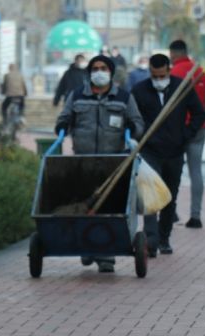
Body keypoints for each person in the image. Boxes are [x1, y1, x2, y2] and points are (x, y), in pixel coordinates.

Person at [55, 54, 145, 273]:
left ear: (111, 72)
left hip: (113, 164)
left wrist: (132, 132)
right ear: (89, 72)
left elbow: (138, 123)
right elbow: (63, 118)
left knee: (108, 208)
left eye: (104, 68)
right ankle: (87, 248)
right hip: (83, 163)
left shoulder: (123, 98)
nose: (99, 72)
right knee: (86, 206)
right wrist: (62, 126)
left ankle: (106, 256)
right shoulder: (77, 96)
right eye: (95, 68)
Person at [131, 54, 205, 256]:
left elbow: (200, 113)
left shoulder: (182, 88)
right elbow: (131, 118)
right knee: (150, 196)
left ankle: (164, 238)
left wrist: (186, 135)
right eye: (155, 76)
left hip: (174, 151)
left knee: (168, 198)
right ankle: (151, 241)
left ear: (168, 70)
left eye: (162, 75)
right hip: (149, 151)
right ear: (150, 73)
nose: (158, 80)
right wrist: (139, 136)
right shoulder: (139, 91)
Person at [169, 39, 205, 229]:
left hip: (178, 129)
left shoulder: (173, 73)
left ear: (173, 54)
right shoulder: (200, 72)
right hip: (199, 128)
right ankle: (196, 216)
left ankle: (171, 212)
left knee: (171, 172)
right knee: (196, 172)